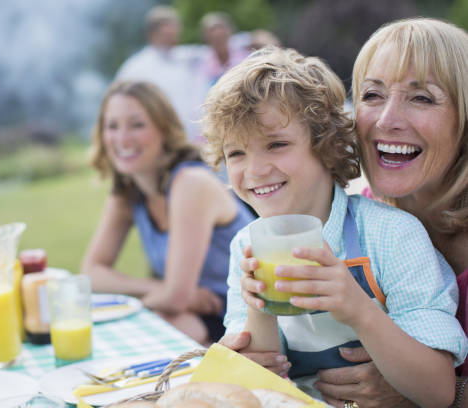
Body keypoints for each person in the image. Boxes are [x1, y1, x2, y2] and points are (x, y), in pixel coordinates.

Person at [201, 46, 467, 407]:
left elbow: (439, 392)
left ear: (327, 147)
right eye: (236, 153)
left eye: (276, 144)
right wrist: (257, 309)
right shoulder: (245, 246)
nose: (255, 170)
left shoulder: (392, 236)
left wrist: (357, 309)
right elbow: (262, 383)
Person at [81, 80, 255, 344]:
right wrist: (154, 289)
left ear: (163, 129)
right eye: (112, 126)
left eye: (137, 125)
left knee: (152, 329)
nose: (122, 138)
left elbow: (176, 298)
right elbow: (91, 273)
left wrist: (145, 302)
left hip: (244, 316)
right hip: (195, 316)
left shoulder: (190, 182)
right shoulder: (128, 193)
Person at [116, 6, 201, 142]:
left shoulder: (186, 58)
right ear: (152, 34)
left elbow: (227, 46)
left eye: (175, 33)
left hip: (190, 141)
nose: (173, 38)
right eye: (167, 35)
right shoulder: (135, 68)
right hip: (155, 141)